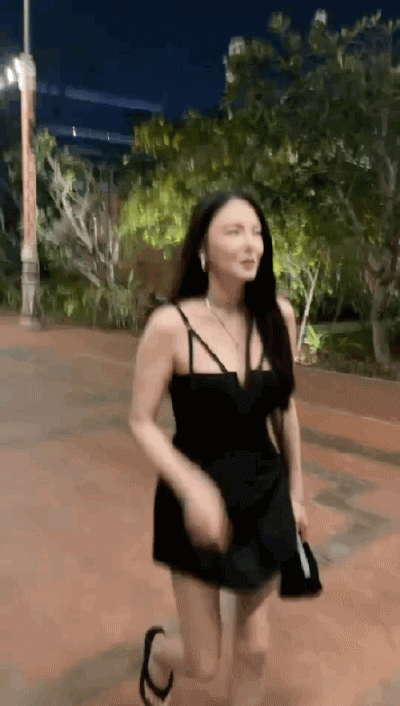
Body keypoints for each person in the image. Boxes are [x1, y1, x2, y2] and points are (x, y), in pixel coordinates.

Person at [129, 189, 308, 706]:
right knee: (204, 662)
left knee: (255, 647)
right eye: (234, 231)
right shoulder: (171, 326)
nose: (251, 244)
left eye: (257, 232)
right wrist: (193, 488)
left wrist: (297, 493)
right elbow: (140, 421)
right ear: (204, 248)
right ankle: (159, 651)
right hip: (195, 503)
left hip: (263, 493)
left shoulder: (278, 315)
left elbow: (285, 408)